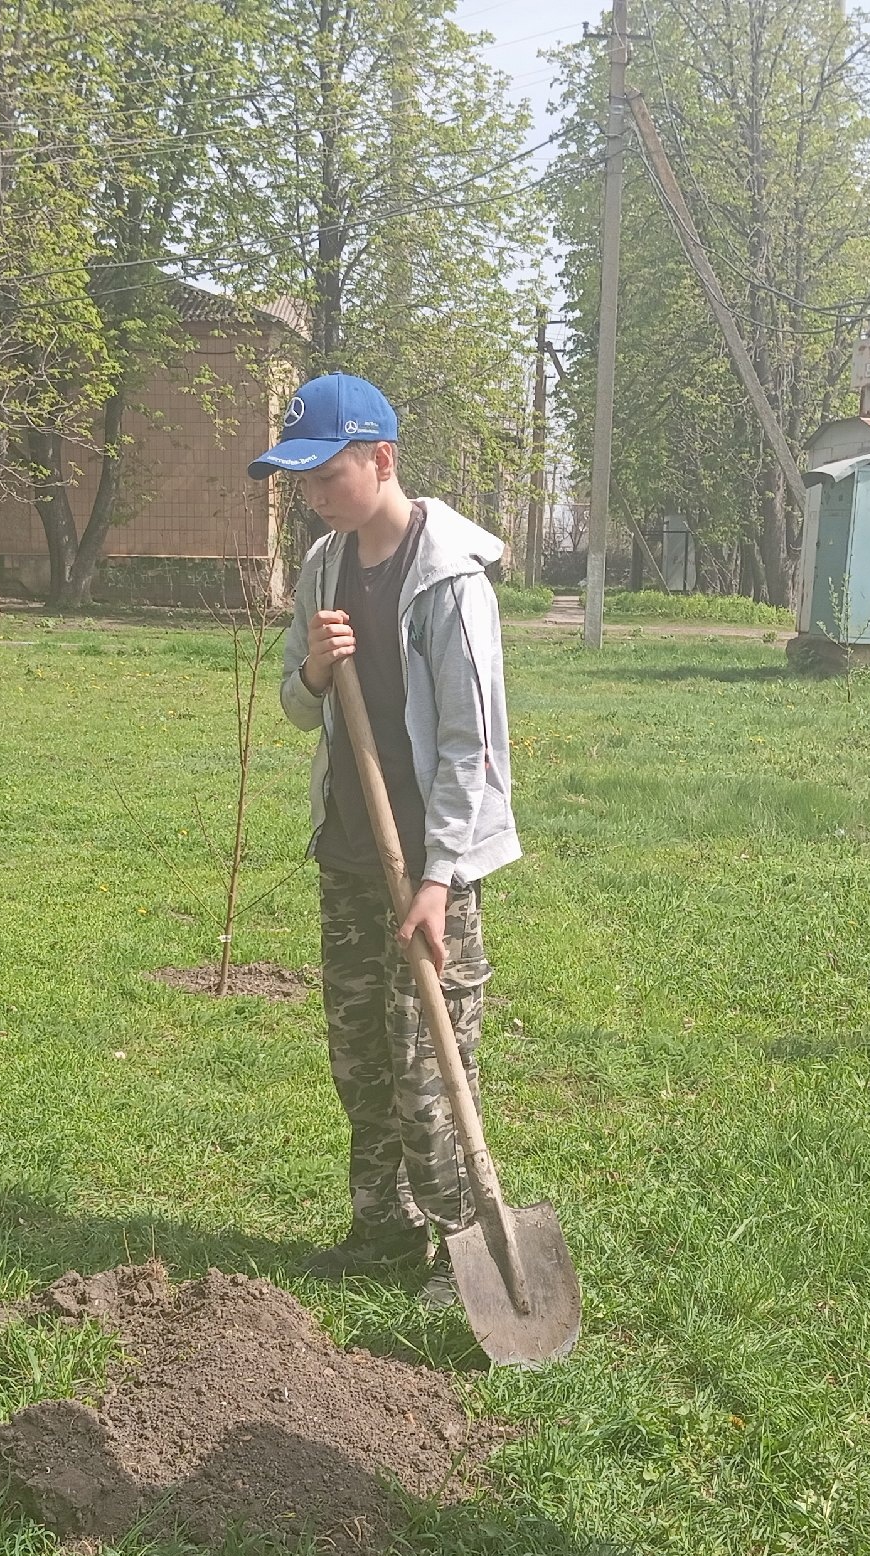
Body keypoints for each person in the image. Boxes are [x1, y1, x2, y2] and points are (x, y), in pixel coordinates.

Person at [258, 372, 519, 1287]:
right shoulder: (323, 568)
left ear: (381, 458)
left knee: (428, 1069)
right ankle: (381, 1232)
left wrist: (442, 878)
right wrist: (321, 673)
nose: (313, 496)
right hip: (349, 851)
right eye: (301, 482)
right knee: (360, 1056)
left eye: (325, 475)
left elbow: (472, 747)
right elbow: (296, 706)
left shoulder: (450, 582)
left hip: (431, 869)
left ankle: (464, 1248)